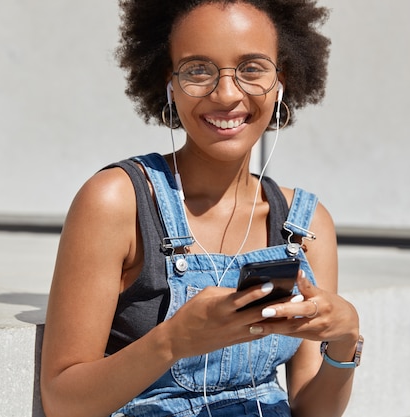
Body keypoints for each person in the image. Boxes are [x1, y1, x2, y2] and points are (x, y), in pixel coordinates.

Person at [40, 1, 362, 417]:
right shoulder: (118, 201)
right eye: (197, 70)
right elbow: (64, 402)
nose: (226, 94)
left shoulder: (305, 224)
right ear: (168, 83)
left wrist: (345, 339)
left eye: (252, 68)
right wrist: (175, 340)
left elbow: (312, 410)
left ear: (281, 81)